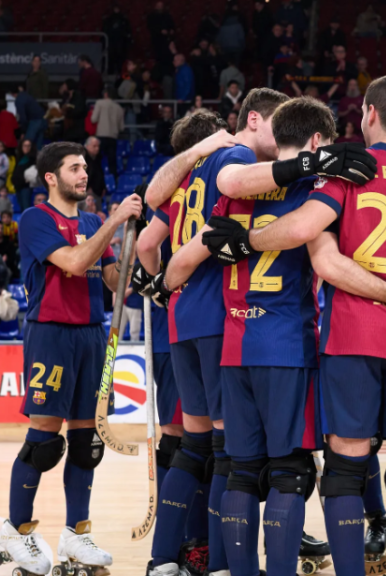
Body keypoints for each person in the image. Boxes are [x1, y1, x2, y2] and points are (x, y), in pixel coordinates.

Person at [201, 75, 386, 576]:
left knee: (346, 471)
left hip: (348, 338)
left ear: (370, 113)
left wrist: (246, 238)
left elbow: (320, 253)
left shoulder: (349, 169)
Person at [137, 101, 275, 576]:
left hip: (181, 316)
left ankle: (161, 561)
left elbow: (144, 244)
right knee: (224, 448)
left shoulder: (184, 179)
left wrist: (161, 288)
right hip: (221, 313)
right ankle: (220, 562)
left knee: (192, 447)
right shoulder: (233, 159)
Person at [0, 141, 143, 576]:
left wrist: (139, 242)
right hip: (51, 335)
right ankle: (16, 531)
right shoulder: (36, 218)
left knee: (85, 443)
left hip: (92, 335)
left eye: (86, 167)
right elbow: (76, 264)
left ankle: (76, 536)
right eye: (74, 168)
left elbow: (116, 283)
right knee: (44, 441)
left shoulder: (94, 220)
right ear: (51, 178)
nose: (84, 174)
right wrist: (115, 221)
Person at [91, 88, 124, 176]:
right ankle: (114, 180)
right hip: (113, 136)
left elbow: (93, 119)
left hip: (101, 134)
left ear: (105, 94)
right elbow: (121, 128)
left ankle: (96, 179)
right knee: (112, 160)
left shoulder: (99, 103)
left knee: (97, 159)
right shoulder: (119, 108)